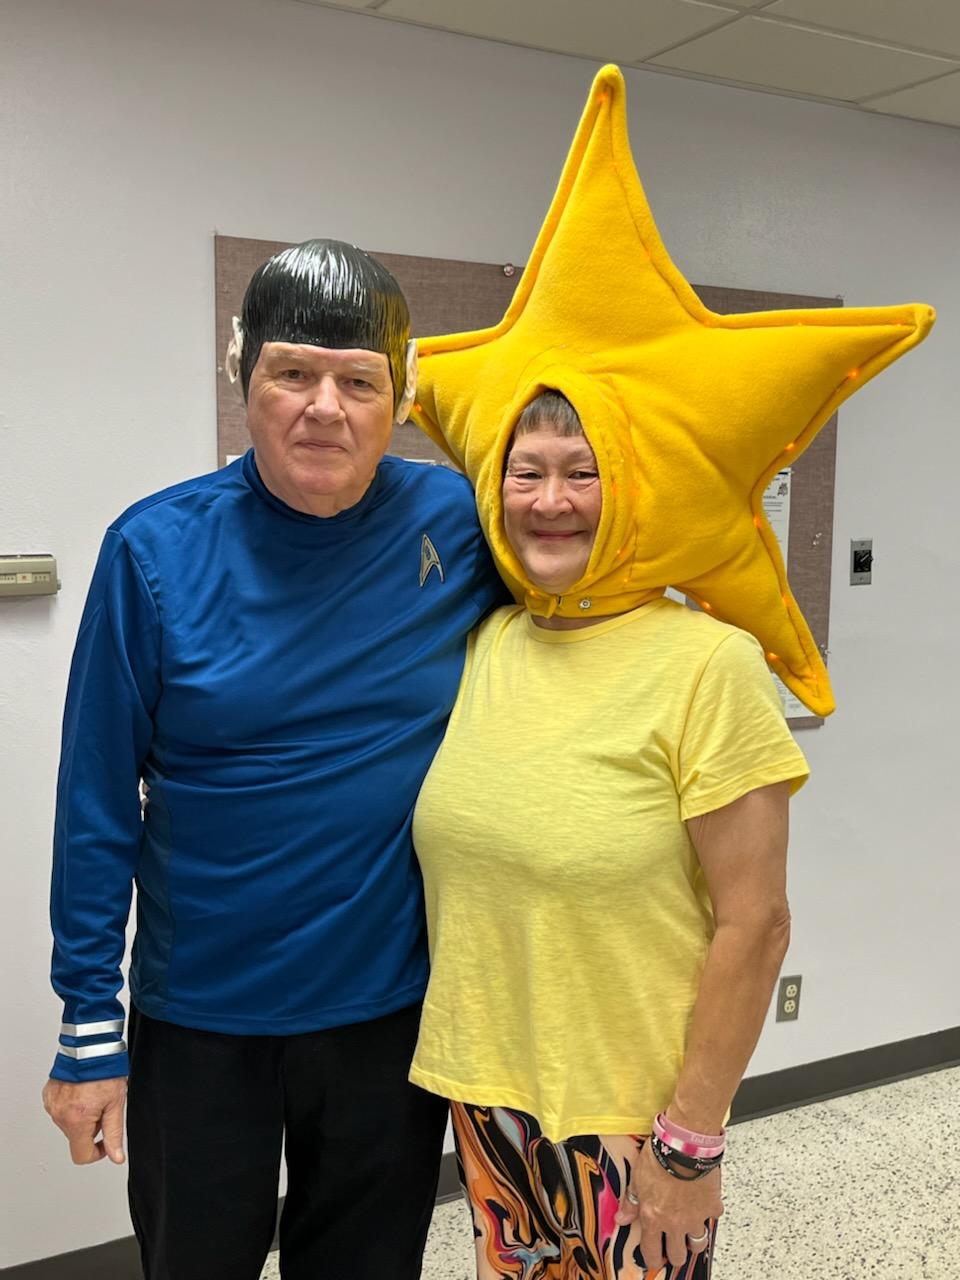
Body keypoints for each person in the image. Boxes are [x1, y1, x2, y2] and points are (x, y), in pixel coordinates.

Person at [42, 238, 503, 1280]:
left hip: (390, 1013)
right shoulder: (154, 550)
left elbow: (592, 577)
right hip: (203, 1016)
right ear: (241, 371)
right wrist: (86, 1025)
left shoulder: (462, 522)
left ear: (404, 392)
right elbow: (96, 803)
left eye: (357, 380)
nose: (324, 406)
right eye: (292, 372)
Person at [409, 390, 810, 1279]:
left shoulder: (711, 664)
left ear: (630, 488)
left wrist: (690, 1145)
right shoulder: (486, 644)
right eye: (528, 472)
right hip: (490, 1100)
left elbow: (758, 923)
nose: (551, 501)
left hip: (636, 1121)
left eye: (582, 472)